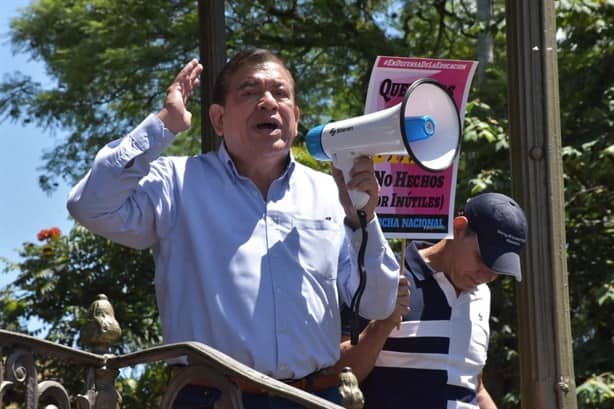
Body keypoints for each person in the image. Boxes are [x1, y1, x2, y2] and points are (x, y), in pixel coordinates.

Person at [67, 48, 401, 407]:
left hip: (316, 397)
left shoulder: (328, 193)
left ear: (296, 116)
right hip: (212, 397)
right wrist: (164, 123)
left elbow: (378, 303)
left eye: (280, 93)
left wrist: (362, 220)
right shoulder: (177, 183)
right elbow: (89, 205)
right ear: (218, 119)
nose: (268, 102)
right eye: (250, 92)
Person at [336, 192, 528, 409]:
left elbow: (472, 384)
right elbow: (335, 374)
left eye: (497, 269)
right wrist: (383, 325)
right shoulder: (384, 280)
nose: (488, 275)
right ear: (459, 226)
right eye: (483, 259)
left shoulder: (483, 294)